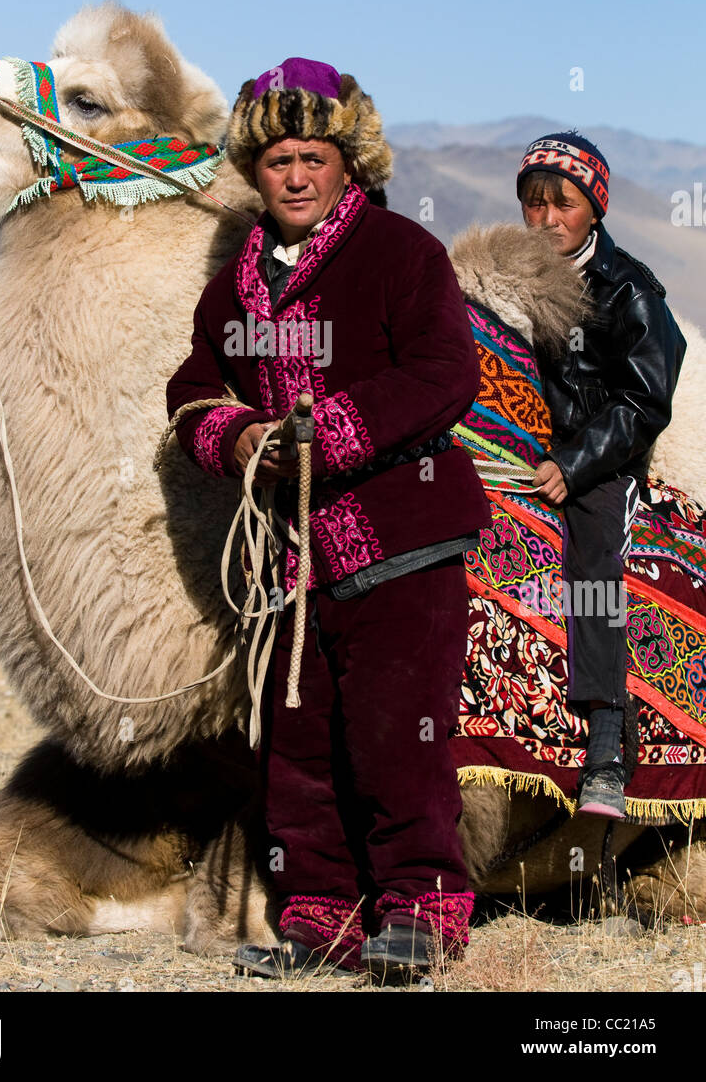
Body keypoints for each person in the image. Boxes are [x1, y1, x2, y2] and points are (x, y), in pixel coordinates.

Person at [166, 58, 492, 983]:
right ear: (254, 171)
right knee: (299, 750)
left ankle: (421, 918)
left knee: (399, 738)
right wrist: (236, 439)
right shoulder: (238, 287)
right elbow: (193, 388)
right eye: (277, 161)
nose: (297, 176)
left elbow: (443, 376)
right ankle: (321, 925)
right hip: (291, 556)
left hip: (402, 538)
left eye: (313, 156)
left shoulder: (401, 255)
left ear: (347, 160)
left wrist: (328, 435)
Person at [518, 131, 686, 817]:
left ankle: (608, 741)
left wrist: (575, 462)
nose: (548, 219)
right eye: (534, 203)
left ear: (596, 209)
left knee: (594, 553)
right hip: (521, 444)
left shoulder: (630, 290)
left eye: (564, 203)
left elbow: (646, 398)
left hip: (599, 460)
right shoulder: (511, 276)